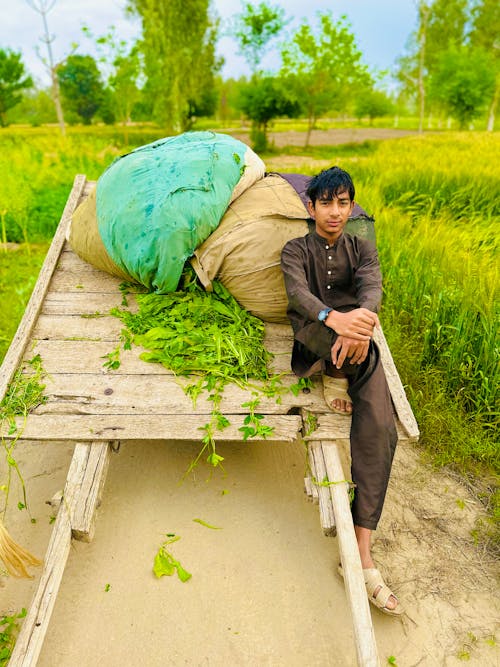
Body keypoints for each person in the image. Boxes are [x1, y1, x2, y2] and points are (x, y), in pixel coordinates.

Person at [280, 166, 402, 616]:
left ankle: (362, 551)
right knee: (333, 334)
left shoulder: (363, 249)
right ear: (310, 207)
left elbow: (372, 291)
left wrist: (360, 325)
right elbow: (298, 296)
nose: (335, 212)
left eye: (343, 202)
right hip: (315, 338)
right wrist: (339, 321)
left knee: (382, 428)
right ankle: (334, 371)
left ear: (351, 207)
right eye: (326, 203)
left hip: (358, 341)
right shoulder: (294, 249)